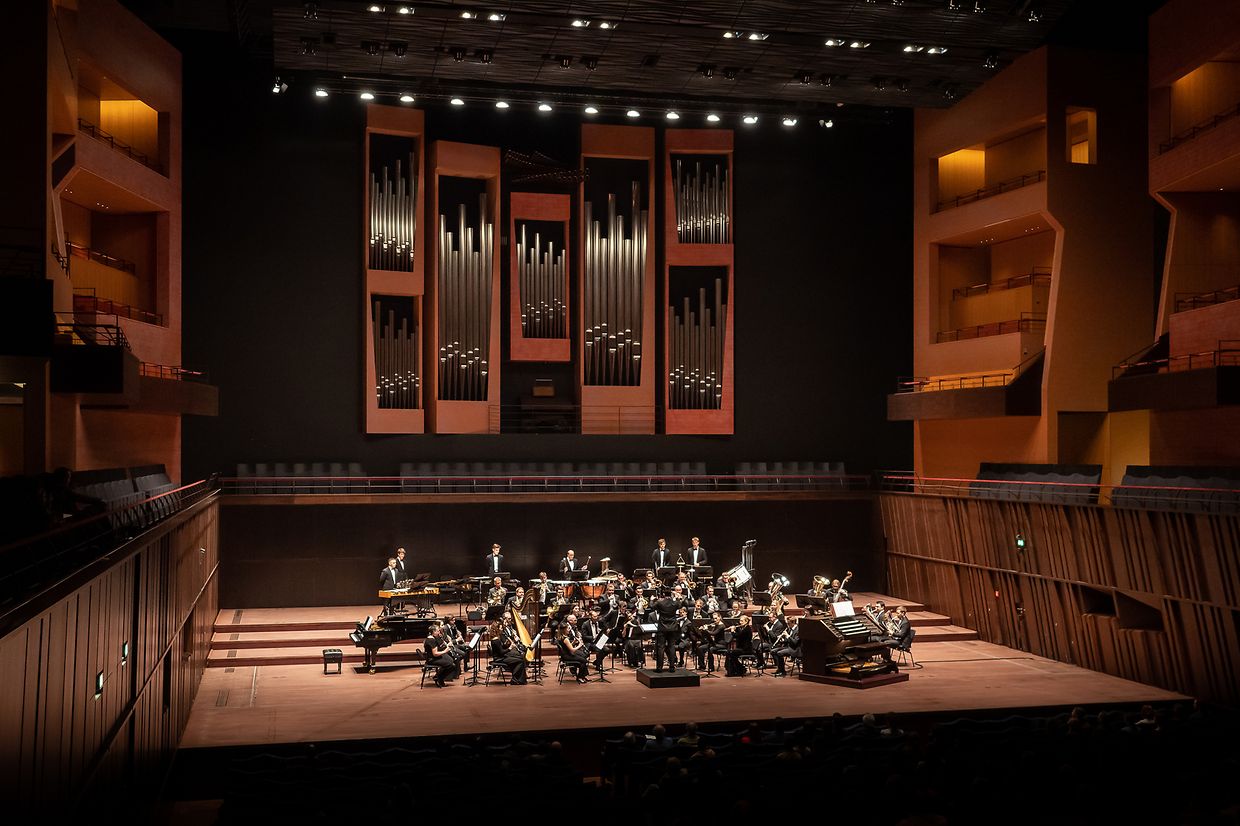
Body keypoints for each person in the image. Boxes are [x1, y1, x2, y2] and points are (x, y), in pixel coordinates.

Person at [490, 616, 527, 684]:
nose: (501, 629)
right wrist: (510, 648)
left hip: (502, 656)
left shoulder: (497, 638)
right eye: (500, 628)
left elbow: (501, 648)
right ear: (496, 629)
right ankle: (516, 680)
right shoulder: (496, 640)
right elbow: (501, 652)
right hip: (500, 658)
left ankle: (518, 679)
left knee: (519, 657)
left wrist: (507, 644)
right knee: (520, 660)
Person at [651, 589, 681, 672]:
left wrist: (652, 600)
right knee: (671, 646)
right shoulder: (674, 603)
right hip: (672, 627)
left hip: (662, 627)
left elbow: (652, 607)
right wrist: (678, 597)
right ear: (671, 594)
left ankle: (659, 668)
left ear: (663, 594)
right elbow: (680, 605)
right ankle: (672, 667)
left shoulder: (660, 602)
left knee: (661, 647)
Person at [558, 613, 591, 682]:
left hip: (566, 653)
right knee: (584, 661)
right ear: (564, 630)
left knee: (583, 658)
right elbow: (572, 650)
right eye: (567, 629)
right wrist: (580, 645)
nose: (569, 630)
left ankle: (582, 676)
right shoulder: (566, 639)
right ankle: (580, 677)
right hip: (567, 656)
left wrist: (574, 641)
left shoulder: (562, 637)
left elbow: (568, 646)